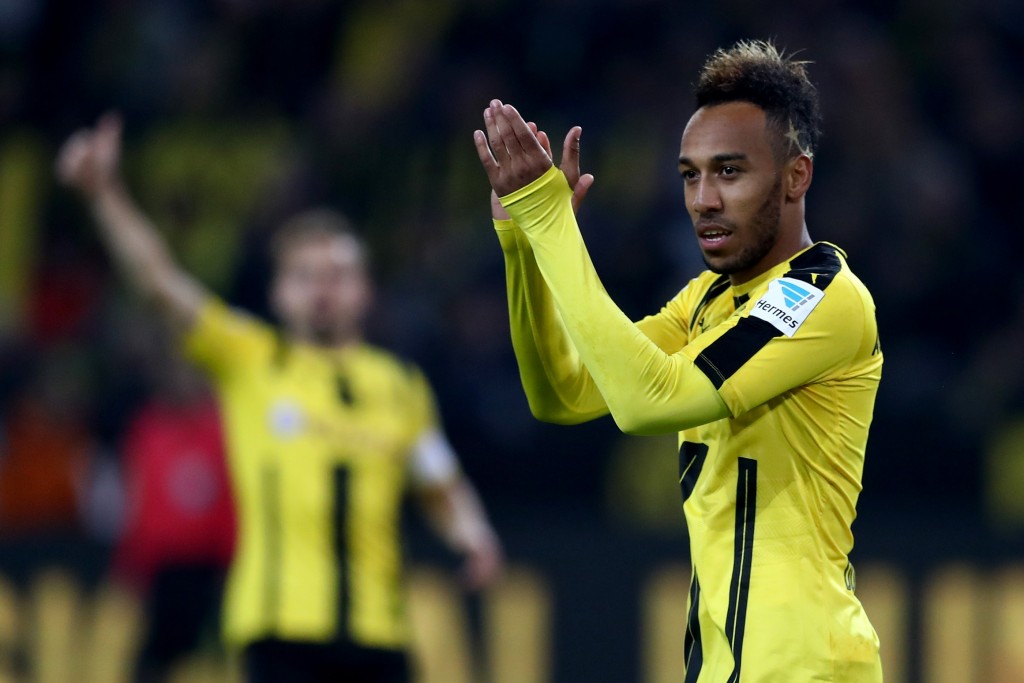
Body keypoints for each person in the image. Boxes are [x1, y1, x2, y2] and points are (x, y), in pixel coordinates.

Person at [474, 40, 883, 681]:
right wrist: (525, 244)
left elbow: (649, 403)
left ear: (796, 176)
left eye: (730, 171)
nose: (703, 200)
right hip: (721, 663)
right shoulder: (709, 299)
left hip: (803, 663)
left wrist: (552, 222)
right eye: (690, 174)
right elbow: (564, 395)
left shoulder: (822, 296)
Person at [58, 113, 504, 683]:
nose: (323, 289)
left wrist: (473, 533)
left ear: (365, 289)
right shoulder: (251, 359)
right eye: (306, 275)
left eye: (338, 274)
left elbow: (438, 479)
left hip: (380, 636)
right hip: (278, 634)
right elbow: (159, 284)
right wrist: (105, 195)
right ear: (278, 292)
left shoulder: (398, 385)